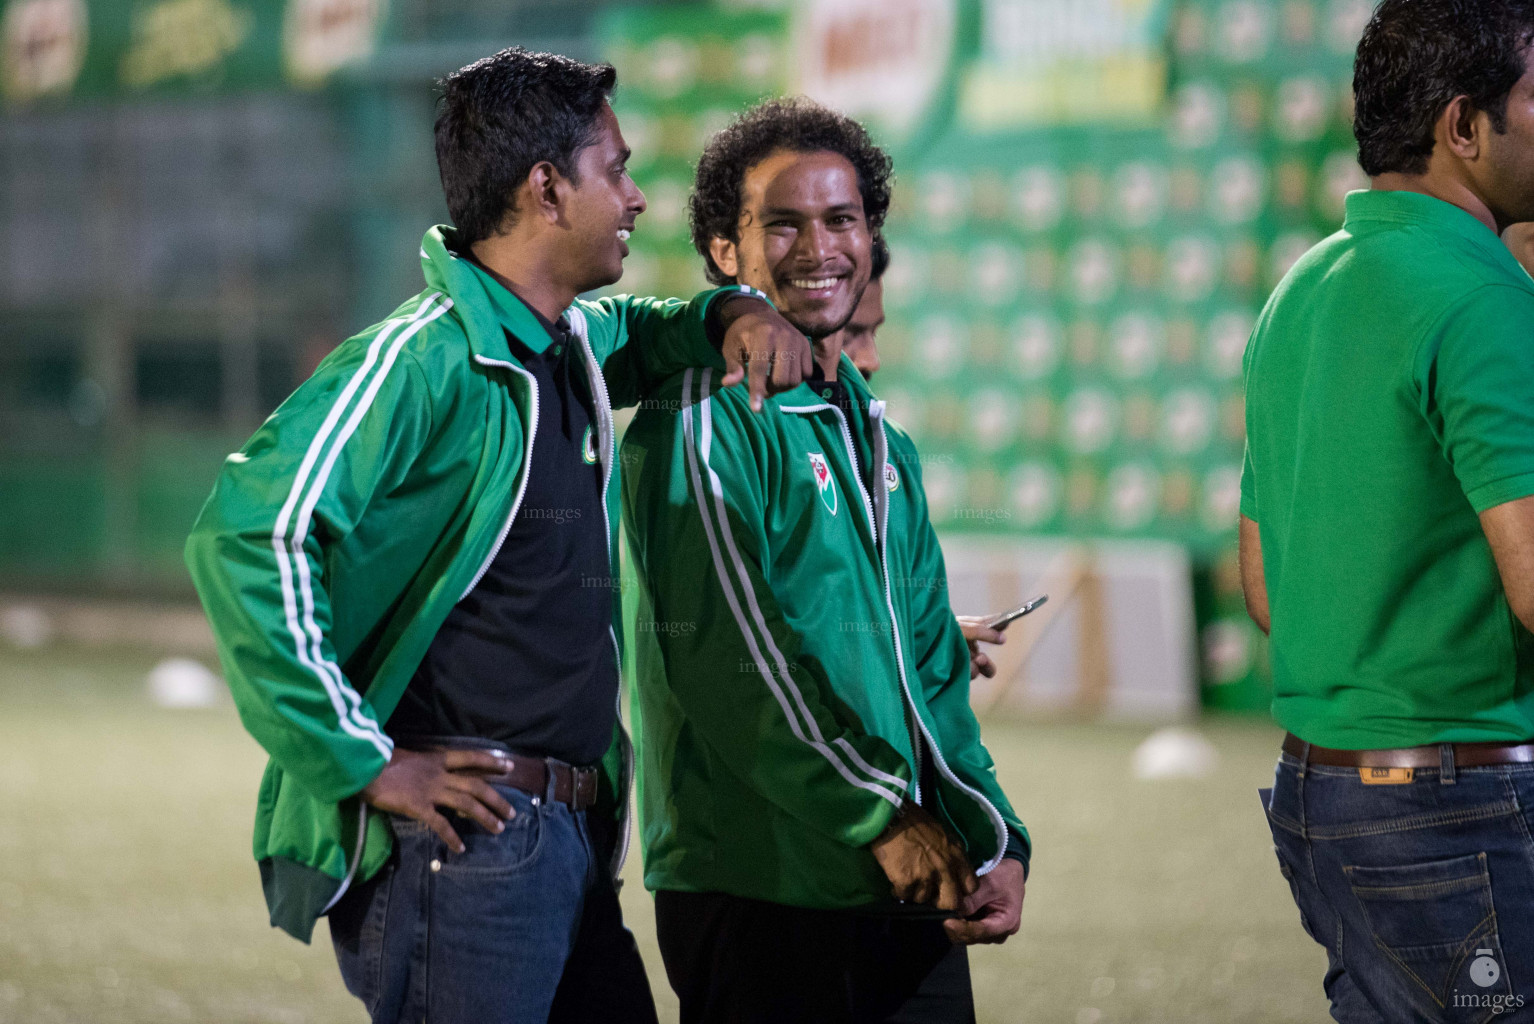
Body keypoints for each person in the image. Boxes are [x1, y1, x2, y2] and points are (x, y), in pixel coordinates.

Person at [184, 48, 809, 1024]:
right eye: (618, 169)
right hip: (465, 847)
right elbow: (248, 535)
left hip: (570, 837)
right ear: (547, 187)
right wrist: (362, 759)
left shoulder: (564, 341)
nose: (639, 198)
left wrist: (731, 307)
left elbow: (642, 332)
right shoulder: (421, 356)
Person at [619, 98, 1030, 1024]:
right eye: (784, 224)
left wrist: (995, 837)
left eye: (841, 220)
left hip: (909, 880)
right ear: (726, 251)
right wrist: (881, 813)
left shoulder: (884, 442)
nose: (820, 248)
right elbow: (730, 655)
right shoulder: (704, 417)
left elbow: (930, 673)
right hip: (763, 884)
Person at [1241, 2, 1534, 1019]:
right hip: (1454, 800)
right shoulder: (1480, 297)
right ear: (1465, 125)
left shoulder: (1302, 287)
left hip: (1320, 797)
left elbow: (1267, 592)